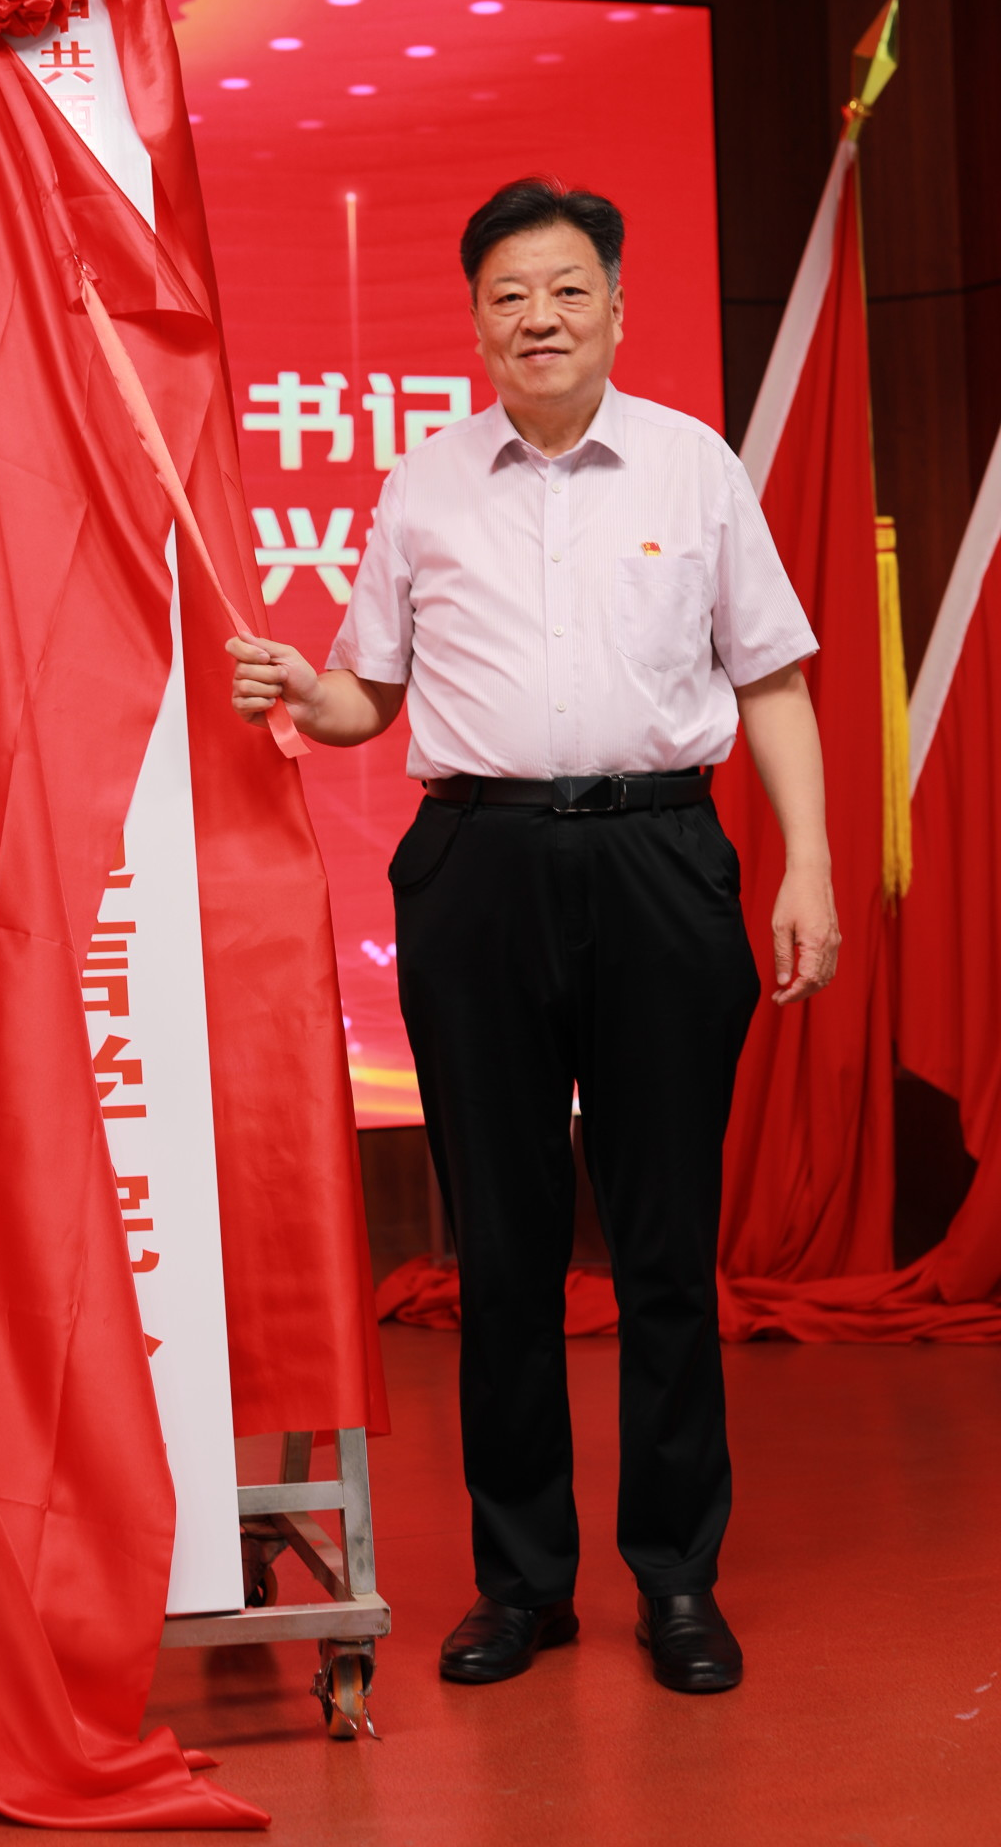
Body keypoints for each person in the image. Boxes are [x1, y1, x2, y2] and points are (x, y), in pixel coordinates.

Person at [228, 176, 838, 1697]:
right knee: (499, 1247)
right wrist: (306, 692)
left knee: (663, 1243)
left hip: (659, 856)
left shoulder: (693, 466)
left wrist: (809, 865)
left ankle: (678, 1578)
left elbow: (771, 678)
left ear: (617, 307)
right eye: (509, 296)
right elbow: (370, 695)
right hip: (479, 868)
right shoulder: (423, 486)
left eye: (568, 290)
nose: (540, 318)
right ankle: (522, 1584)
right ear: (477, 322)